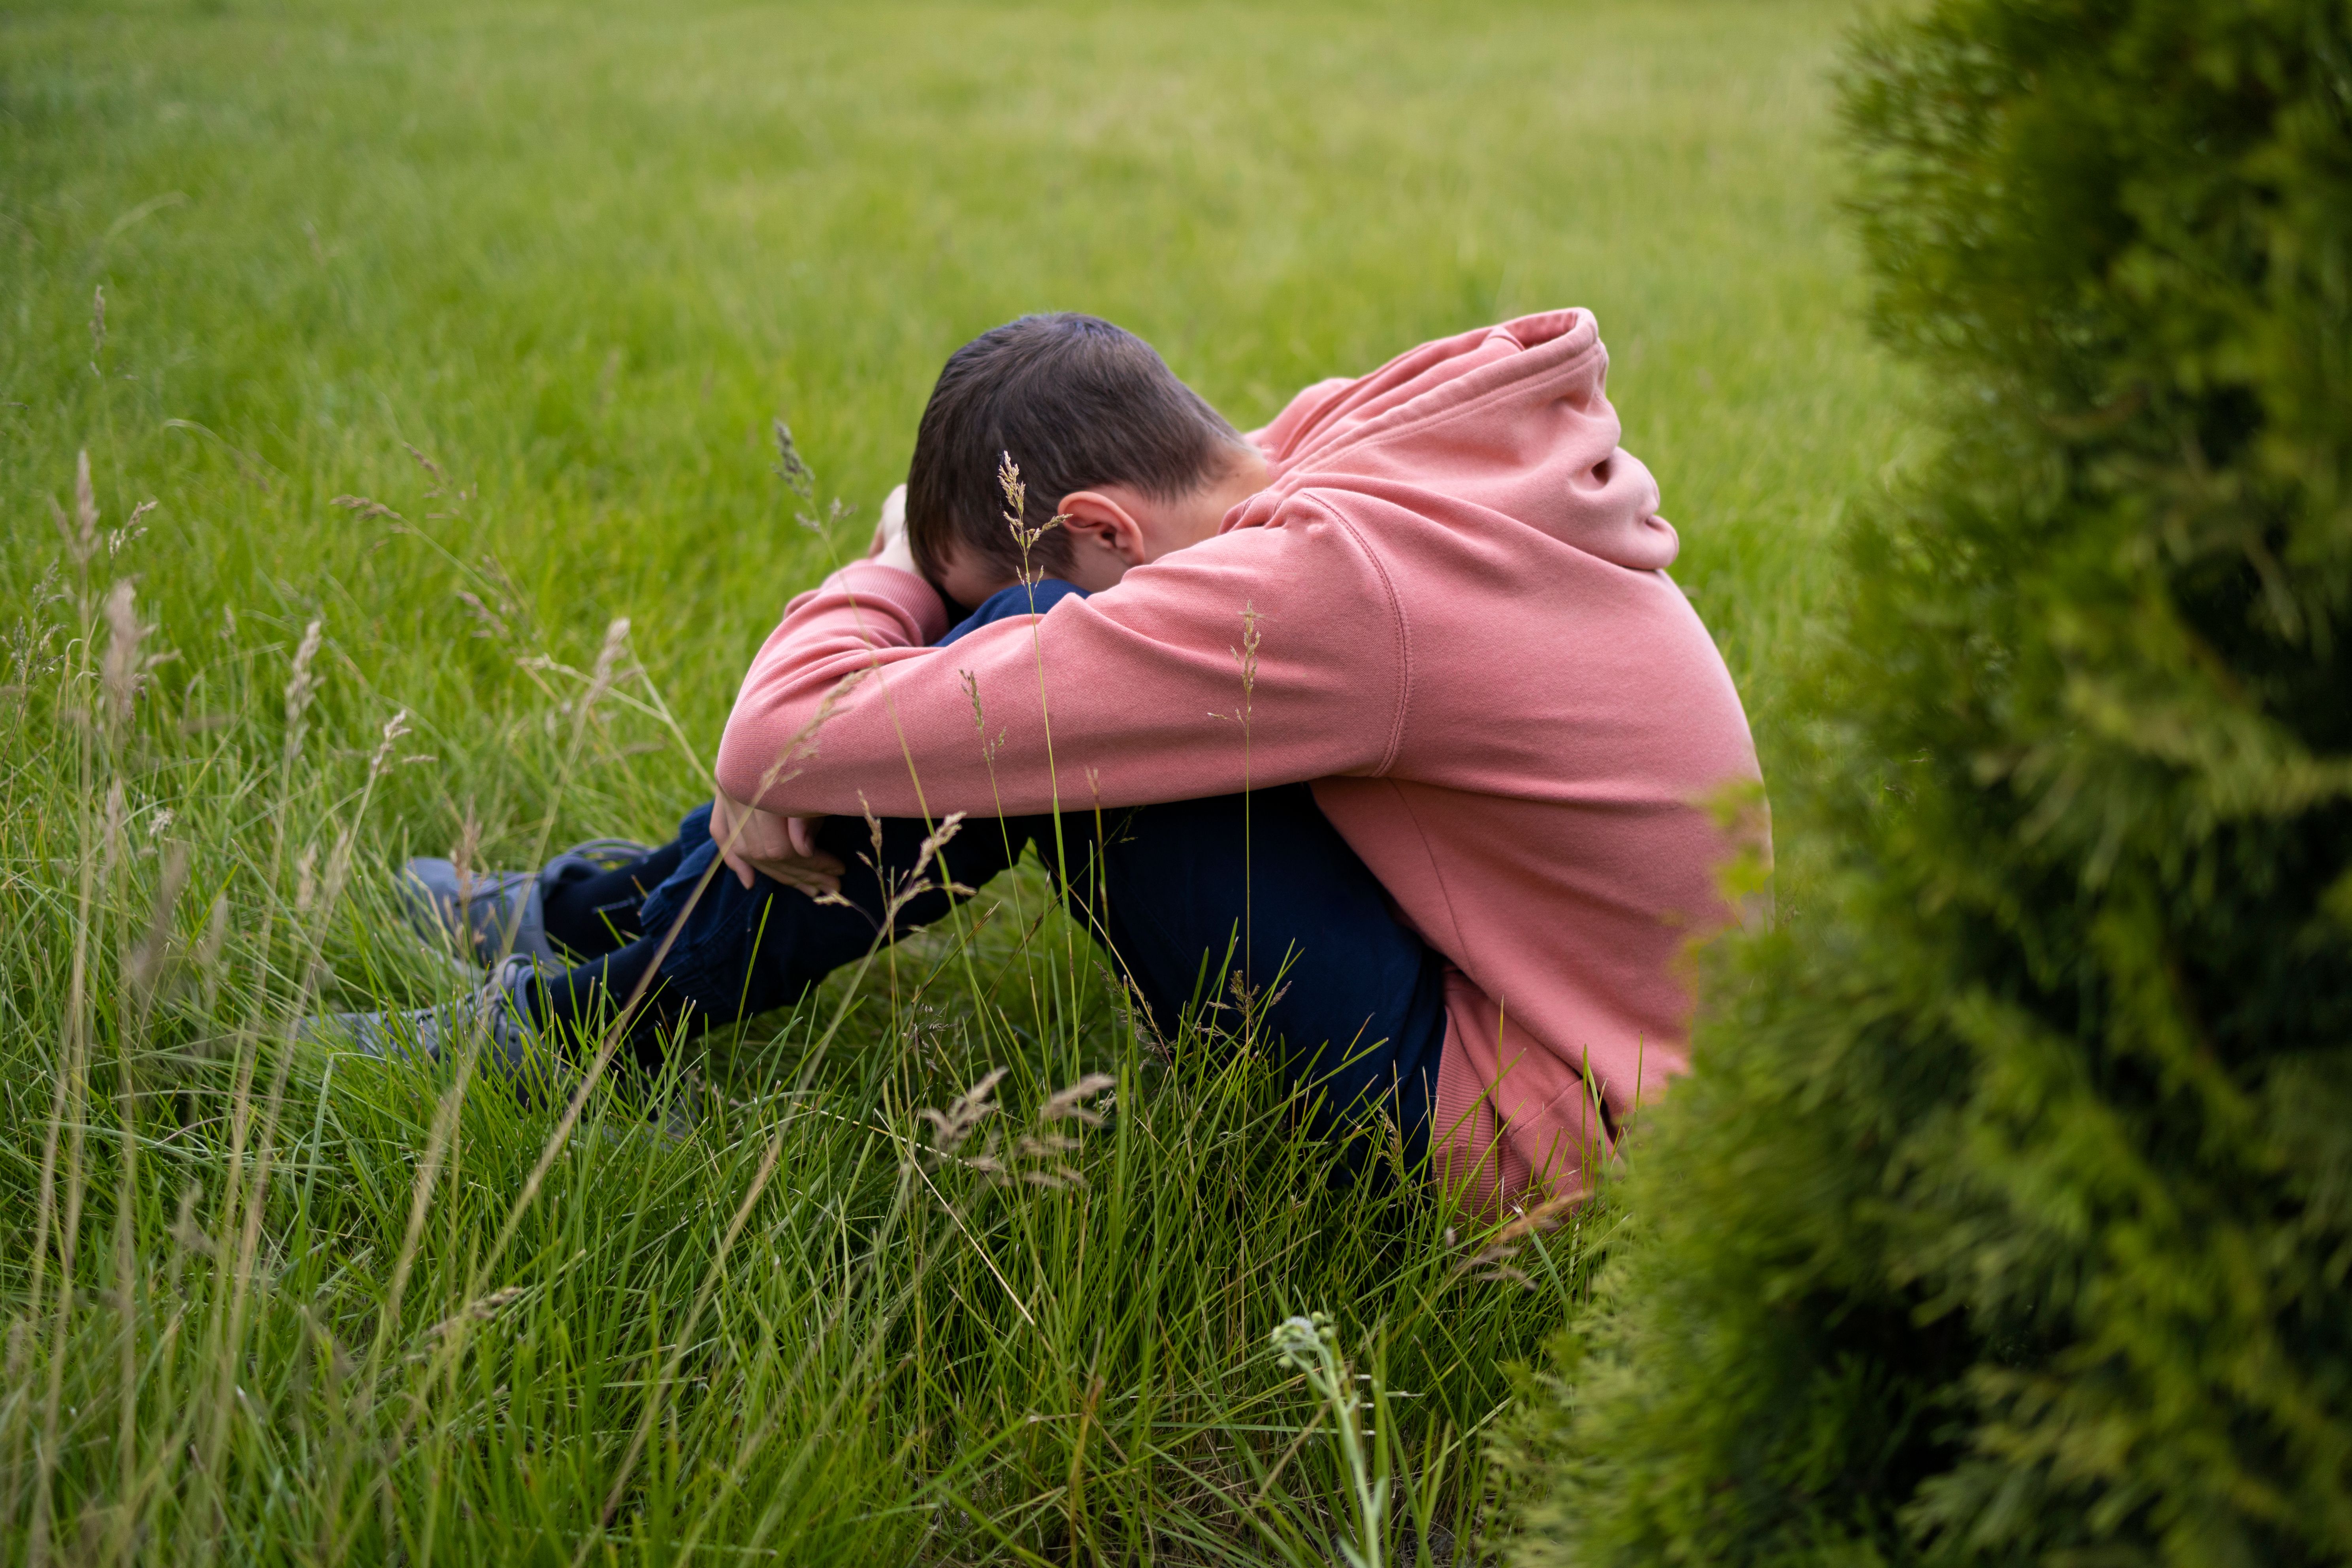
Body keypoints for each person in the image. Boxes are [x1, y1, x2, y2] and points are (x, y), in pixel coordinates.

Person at [324, 310, 1762, 1208]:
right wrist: (891, 674)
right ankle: (594, 919)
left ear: (1106, 524)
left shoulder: (1323, 594)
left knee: (1028, 651)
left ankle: (579, 1024)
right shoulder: (1343, 453)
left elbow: (786, 732)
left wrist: (898, 584)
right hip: (1600, 1038)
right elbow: (827, 733)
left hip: (1538, 1129)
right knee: (1016, 671)